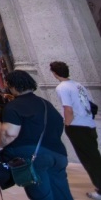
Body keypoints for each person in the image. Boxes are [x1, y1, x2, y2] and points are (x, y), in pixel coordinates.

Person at [0, 70, 73, 200]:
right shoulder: (45, 103)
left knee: (41, 194)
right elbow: (59, 123)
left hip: (34, 157)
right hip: (58, 153)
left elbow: (9, 133)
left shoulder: (13, 107)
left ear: (11, 85)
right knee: (61, 192)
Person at [50, 61, 100, 200]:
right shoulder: (77, 84)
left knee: (89, 160)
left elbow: (68, 109)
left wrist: (67, 124)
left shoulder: (62, 87)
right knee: (94, 157)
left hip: (77, 126)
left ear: (54, 73)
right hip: (89, 124)